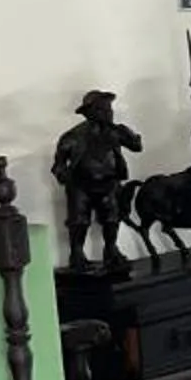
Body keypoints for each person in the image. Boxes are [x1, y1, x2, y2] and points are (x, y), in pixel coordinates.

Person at [50, 89, 140, 273]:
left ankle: (111, 250)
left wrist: (126, 132)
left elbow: (137, 147)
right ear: (89, 113)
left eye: (109, 109)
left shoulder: (114, 132)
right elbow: (58, 165)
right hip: (81, 186)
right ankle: (77, 255)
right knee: (79, 220)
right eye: (102, 109)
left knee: (112, 218)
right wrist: (64, 175)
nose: (109, 113)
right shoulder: (72, 137)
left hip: (109, 183)